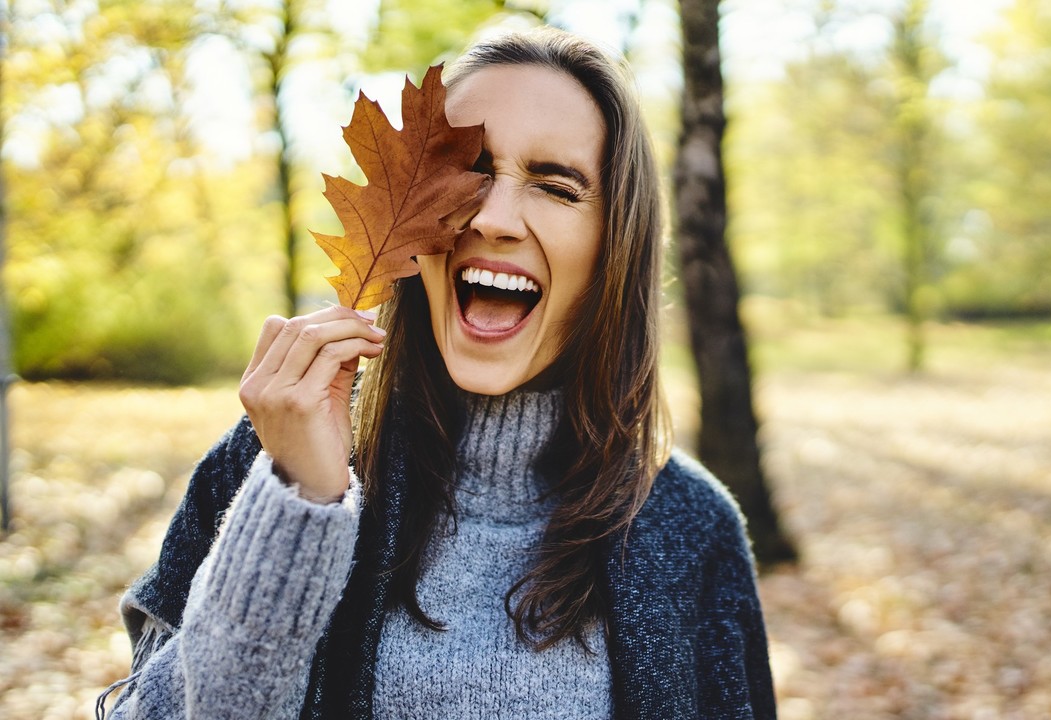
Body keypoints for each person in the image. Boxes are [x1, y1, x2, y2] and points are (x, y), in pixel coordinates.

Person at [98, 27, 775, 719]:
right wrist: (298, 504)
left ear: (614, 247)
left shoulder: (691, 526)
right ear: (408, 218)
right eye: (470, 171)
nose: (494, 216)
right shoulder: (267, 464)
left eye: (554, 186)